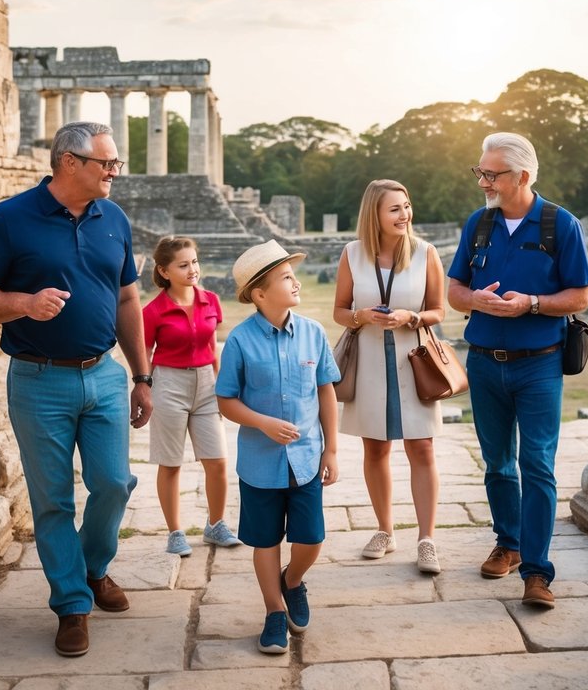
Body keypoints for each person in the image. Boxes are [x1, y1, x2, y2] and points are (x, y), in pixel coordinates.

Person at [0, 121, 152, 658]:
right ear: (70, 162)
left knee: (114, 483)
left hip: (107, 375)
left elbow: (128, 302)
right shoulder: (9, 220)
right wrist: (23, 303)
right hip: (38, 379)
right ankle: (70, 604)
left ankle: (92, 569)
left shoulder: (113, 218)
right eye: (107, 163)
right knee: (52, 501)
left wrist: (141, 375)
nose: (115, 172)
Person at [447, 132, 588, 609]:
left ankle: (537, 571)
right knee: (498, 464)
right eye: (480, 172)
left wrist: (530, 304)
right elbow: (455, 292)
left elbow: (580, 296)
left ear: (523, 176)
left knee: (537, 465)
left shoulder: (559, 225)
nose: (483, 181)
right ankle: (507, 544)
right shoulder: (479, 224)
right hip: (485, 364)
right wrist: (476, 300)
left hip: (540, 367)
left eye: (492, 174)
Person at [215, 240, 340, 654]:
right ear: (259, 293)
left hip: (306, 461)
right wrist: (262, 423)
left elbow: (326, 393)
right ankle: (272, 612)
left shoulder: (313, 333)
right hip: (259, 465)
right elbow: (226, 400)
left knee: (312, 538)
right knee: (265, 541)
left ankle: (293, 581)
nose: (296, 281)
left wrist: (332, 450)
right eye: (286, 277)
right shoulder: (239, 341)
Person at [332, 179, 447, 573]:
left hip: (413, 359)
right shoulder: (351, 254)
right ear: (375, 215)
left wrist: (410, 317)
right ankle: (385, 530)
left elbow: (438, 312)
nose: (404, 215)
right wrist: (362, 317)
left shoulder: (425, 253)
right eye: (394, 209)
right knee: (375, 450)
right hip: (367, 361)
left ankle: (427, 539)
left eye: (407, 206)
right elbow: (340, 312)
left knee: (422, 449)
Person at [141, 235, 240, 555]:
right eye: (183, 265)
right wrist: (142, 386)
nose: (192, 269)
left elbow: (213, 347)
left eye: (194, 262)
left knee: (218, 461)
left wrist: (223, 387)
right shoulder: (153, 310)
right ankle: (175, 532)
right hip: (168, 383)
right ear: (164, 271)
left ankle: (216, 525)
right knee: (170, 463)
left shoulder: (210, 300)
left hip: (207, 385)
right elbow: (144, 349)